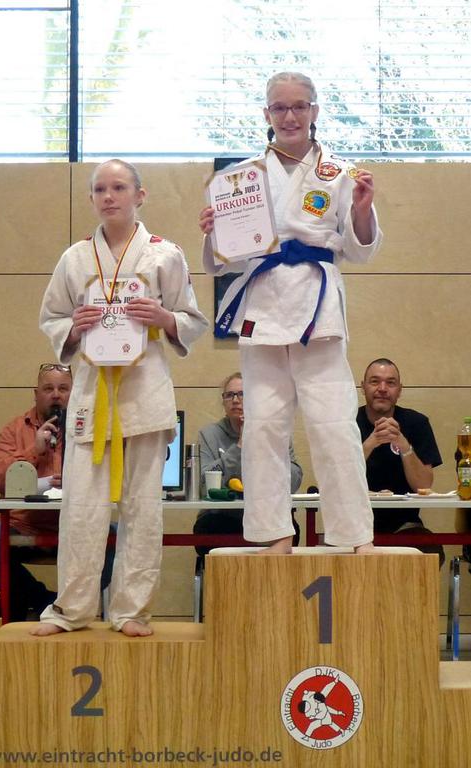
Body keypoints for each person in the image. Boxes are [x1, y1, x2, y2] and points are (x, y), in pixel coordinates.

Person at [200, 71, 383, 554]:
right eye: (279, 107)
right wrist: (214, 232)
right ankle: (274, 531)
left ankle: (352, 533)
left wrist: (362, 210)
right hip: (263, 306)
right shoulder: (241, 178)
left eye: (299, 106)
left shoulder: (339, 174)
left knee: (335, 425)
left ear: (315, 111)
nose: (290, 116)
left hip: (317, 308)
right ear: (266, 114)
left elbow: (360, 250)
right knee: (263, 427)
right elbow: (224, 260)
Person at [32, 159, 208, 638]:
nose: (108, 196)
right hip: (92, 396)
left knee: (142, 508)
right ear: (91, 198)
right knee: (81, 509)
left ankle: (131, 611)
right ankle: (71, 610)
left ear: (139, 195)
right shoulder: (75, 258)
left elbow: (192, 319)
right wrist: (73, 327)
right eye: (99, 189)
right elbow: (51, 317)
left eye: (119, 187)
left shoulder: (164, 254)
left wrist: (164, 318)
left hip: (145, 392)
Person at [0, 363, 117, 619]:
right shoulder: (15, 429)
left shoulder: (93, 427)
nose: (56, 395)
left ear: (75, 393)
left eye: (63, 389)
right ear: (36, 394)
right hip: (24, 525)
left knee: (120, 540)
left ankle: (76, 606)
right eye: (48, 389)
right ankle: (44, 600)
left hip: (80, 524)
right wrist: (34, 451)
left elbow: (114, 473)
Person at [193, 371, 303, 555]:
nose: (235, 400)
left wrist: (264, 445)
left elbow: (295, 480)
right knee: (209, 529)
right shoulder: (209, 434)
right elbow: (203, 483)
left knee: (289, 531)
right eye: (230, 395)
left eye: (242, 394)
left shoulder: (275, 431)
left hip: (267, 515)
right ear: (223, 402)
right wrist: (240, 447)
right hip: (220, 516)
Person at [358, 358, 445, 565]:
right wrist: (370, 443)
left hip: (405, 525)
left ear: (399, 390)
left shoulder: (417, 423)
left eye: (390, 383)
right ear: (363, 387)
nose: (382, 389)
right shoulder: (347, 422)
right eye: (375, 381)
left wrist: (404, 445)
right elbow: (337, 481)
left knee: (429, 552)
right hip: (354, 524)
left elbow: (424, 485)